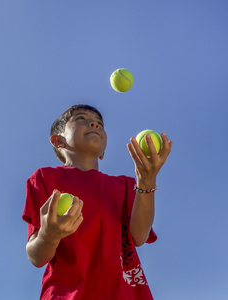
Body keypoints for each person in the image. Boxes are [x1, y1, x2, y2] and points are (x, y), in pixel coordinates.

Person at [22, 104, 172, 300]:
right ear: (58, 141)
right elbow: (36, 256)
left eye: (100, 124)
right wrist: (48, 236)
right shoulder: (44, 178)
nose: (94, 124)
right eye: (80, 119)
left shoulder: (127, 185)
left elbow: (139, 236)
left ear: (102, 151)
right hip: (68, 295)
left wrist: (147, 180)